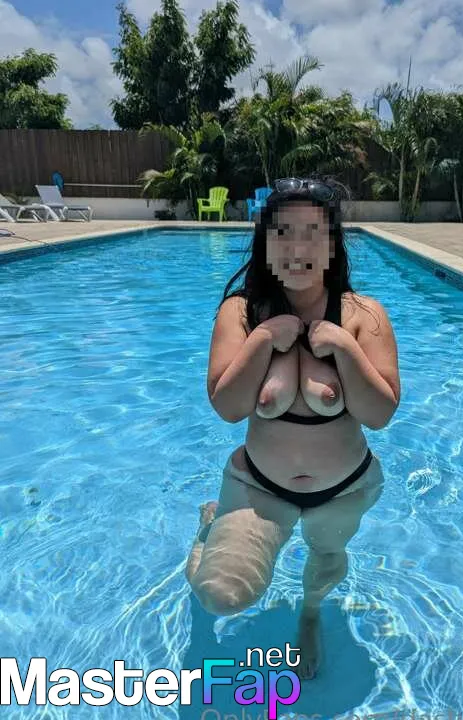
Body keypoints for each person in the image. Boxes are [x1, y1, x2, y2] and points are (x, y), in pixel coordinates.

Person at [185, 177, 401, 679]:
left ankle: (309, 616)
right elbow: (228, 408)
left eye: (312, 233)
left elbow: (380, 414)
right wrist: (263, 339)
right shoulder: (241, 311)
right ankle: (207, 533)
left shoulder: (363, 315)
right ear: (265, 243)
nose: (297, 247)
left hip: (344, 488)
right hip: (260, 485)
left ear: (332, 244)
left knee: (327, 557)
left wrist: (344, 347)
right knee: (220, 596)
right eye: (282, 232)